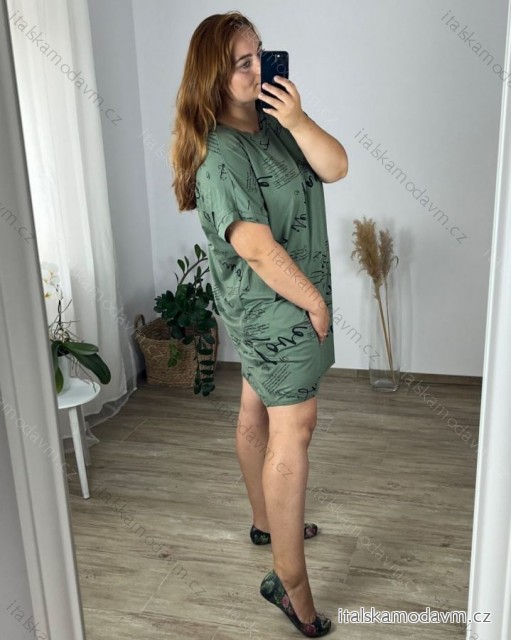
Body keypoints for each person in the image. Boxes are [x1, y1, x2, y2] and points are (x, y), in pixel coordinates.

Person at [171, 11, 348, 638]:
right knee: (294, 428)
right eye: (241, 63)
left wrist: (298, 119)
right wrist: (315, 304)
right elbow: (255, 248)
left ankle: (265, 522)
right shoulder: (219, 154)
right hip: (274, 307)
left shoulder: (275, 124)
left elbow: (336, 166)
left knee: (256, 407)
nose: (256, 69)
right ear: (213, 75)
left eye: (260, 55)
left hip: (270, 303)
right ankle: (289, 582)